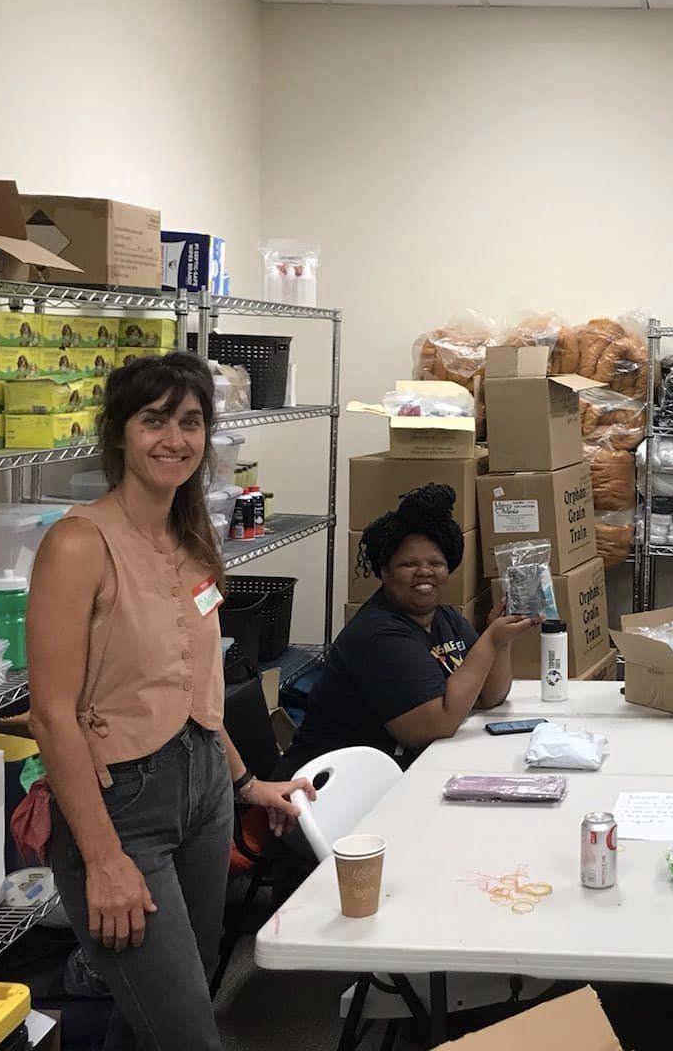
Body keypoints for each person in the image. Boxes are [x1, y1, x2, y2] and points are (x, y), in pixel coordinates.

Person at [28, 352, 314, 1051]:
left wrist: (247, 784)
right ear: (119, 433)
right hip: (123, 807)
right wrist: (102, 859)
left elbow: (195, 690)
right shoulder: (78, 544)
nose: (174, 438)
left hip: (205, 791)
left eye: (190, 422)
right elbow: (50, 714)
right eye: (154, 419)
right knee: (188, 1031)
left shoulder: (192, 544)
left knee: (147, 1016)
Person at [277, 484, 535, 777]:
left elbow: (491, 696)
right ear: (385, 572)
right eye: (408, 564)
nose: (424, 572)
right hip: (334, 790)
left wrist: (502, 639)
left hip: (396, 774)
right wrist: (490, 641)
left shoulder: (445, 618)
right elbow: (436, 725)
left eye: (436, 563)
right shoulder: (378, 635)